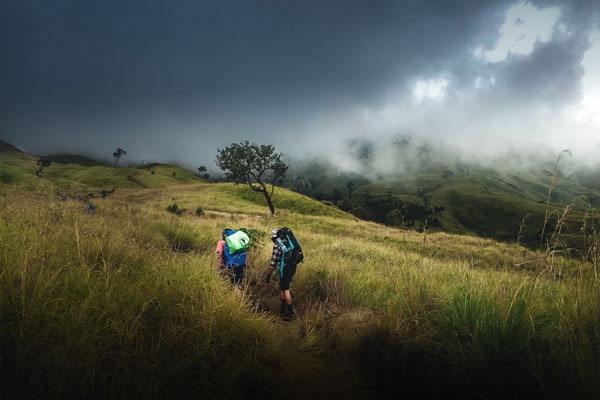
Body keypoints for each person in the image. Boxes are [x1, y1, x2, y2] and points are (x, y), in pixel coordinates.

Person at [265, 228, 299, 321]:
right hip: (292, 266)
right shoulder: (288, 241)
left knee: (285, 288)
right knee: (282, 285)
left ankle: (290, 312)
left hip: (285, 268)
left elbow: (273, 263)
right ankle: (282, 308)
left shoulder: (277, 245)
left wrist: (268, 274)